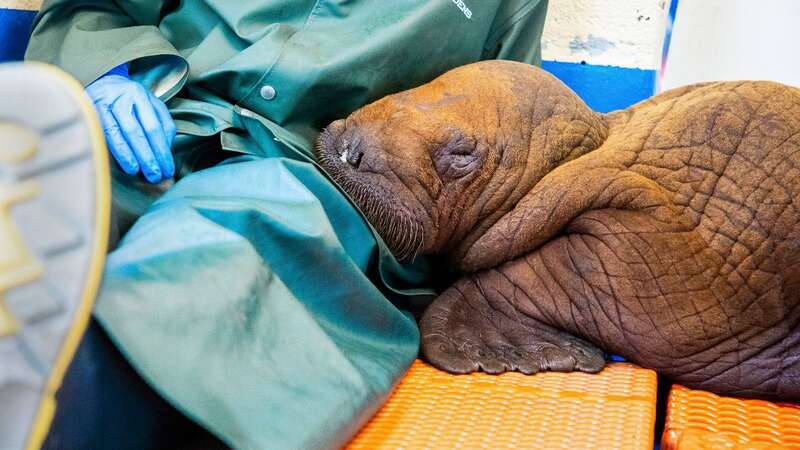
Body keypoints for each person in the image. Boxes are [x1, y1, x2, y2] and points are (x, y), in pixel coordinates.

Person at [2, 1, 548, 448]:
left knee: (229, 232)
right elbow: (95, 6)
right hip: (162, 114)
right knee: (62, 178)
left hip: (325, 172)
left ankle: (82, 396)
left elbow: (512, 133)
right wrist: (108, 75)